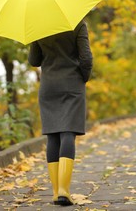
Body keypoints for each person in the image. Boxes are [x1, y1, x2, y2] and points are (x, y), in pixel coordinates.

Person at [28, 20, 93, 206]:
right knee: (68, 132)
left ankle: (56, 192)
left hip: (48, 86)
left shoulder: (39, 25)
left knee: (53, 136)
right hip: (72, 84)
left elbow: (34, 61)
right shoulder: (78, 24)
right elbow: (86, 58)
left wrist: (35, 38)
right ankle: (65, 190)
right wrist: (83, 78)